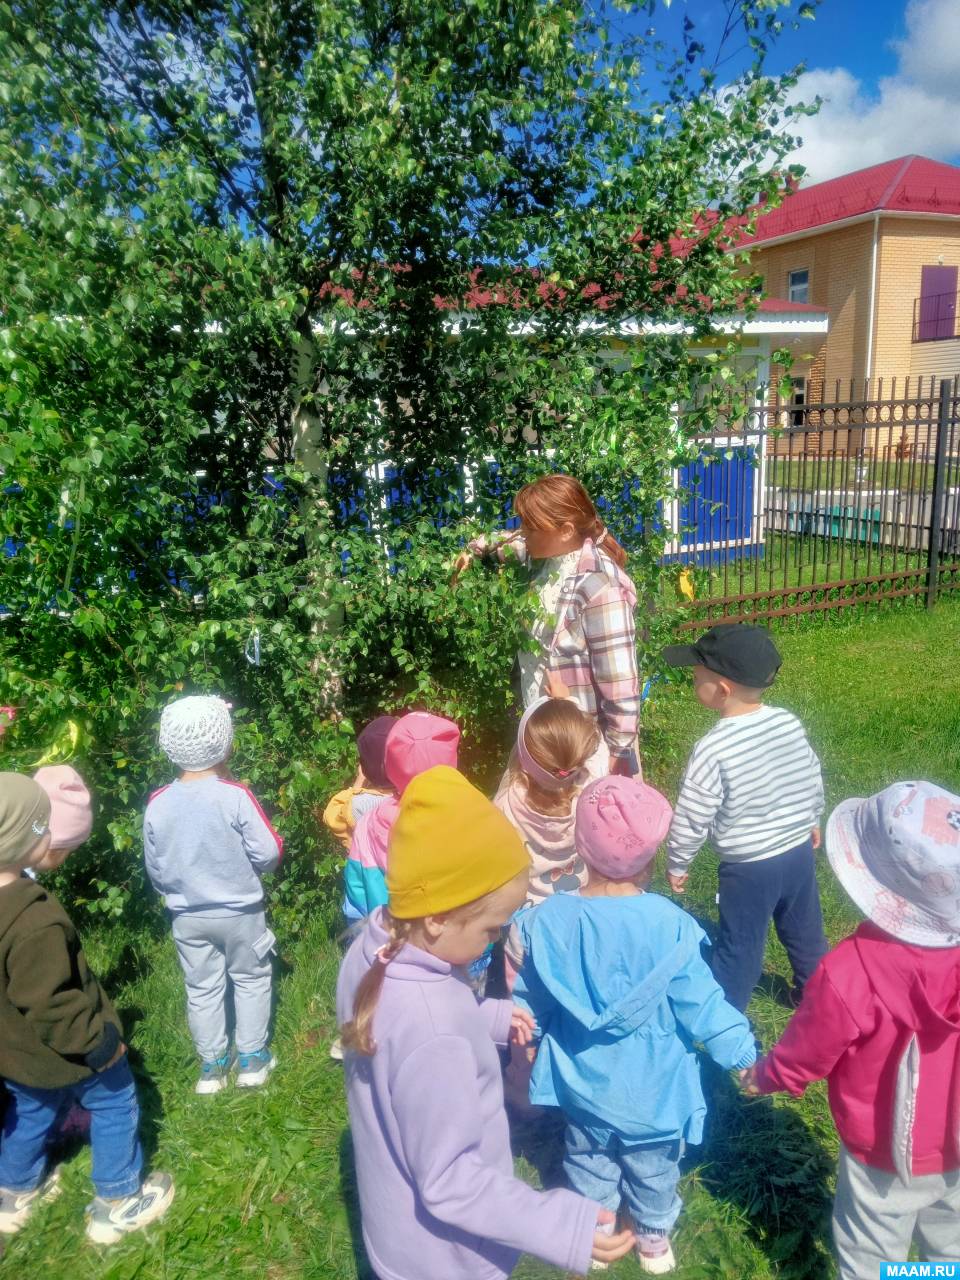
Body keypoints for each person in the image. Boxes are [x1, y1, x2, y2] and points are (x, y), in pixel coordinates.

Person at [336, 765, 636, 1280]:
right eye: (491, 929)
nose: (496, 940)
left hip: (397, 1235)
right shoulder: (435, 1033)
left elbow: (409, 1034)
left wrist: (486, 1018)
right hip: (445, 1259)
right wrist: (559, 1224)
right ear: (437, 917)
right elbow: (451, 1180)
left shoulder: (372, 950)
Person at [513, 776, 756, 1274]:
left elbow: (530, 999)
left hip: (582, 1085)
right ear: (648, 861)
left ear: (579, 847)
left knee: (588, 1158)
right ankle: (652, 1239)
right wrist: (742, 1054)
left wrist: (527, 1040)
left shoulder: (547, 921)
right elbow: (703, 1004)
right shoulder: (671, 926)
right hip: (655, 1094)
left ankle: (597, 1230)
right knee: (654, 1168)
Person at [740, 781, 960, 1277]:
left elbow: (809, 1048)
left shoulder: (849, 972)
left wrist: (769, 1075)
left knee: (871, 1253)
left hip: (881, 1151)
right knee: (952, 1249)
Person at [0, 773, 174, 1243]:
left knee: (31, 1111)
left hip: (14, 1054)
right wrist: (99, 1045)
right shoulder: (32, 920)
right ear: (25, 840)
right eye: (43, 826)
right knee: (115, 1101)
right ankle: (115, 1202)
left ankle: (12, 1193)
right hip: (68, 1050)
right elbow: (51, 1004)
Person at [663, 624, 827, 1011]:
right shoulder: (786, 721)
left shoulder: (712, 748)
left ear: (722, 689)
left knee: (740, 944)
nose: (692, 680)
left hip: (749, 869)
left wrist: (678, 861)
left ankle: (726, 1017)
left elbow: (693, 814)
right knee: (804, 929)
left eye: (696, 676)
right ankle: (818, 996)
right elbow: (808, 772)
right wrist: (812, 816)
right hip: (797, 853)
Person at [453, 473, 640, 779]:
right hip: (545, 731)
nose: (522, 533)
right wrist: (473, 549)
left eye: (531, 526)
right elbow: (508, 543)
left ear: (565, 530)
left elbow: (619, 682)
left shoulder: (600, 586)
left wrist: (617, 755)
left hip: (580, 747)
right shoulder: (547, 557)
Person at [143, 695, 283, 1094]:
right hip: (241, 912)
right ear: (225, 743)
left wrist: (173, 891)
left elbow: (156, 867)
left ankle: (212, 1067)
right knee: (251, 978)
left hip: (187, 915)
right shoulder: (235, 795)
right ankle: (252, 1059)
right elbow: (269, 853)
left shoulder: (158, 803)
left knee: (201, 987)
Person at [494, 694, 599, 984]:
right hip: (580, 911)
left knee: (527, 990)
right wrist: (570, 699)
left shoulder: (505, 805)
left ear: (524, 757)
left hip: (527, 923)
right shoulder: (593, 792)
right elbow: (586, 741)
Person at [342, 711, 460, 923]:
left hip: (389, 933)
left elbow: (356, 893)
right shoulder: (466, 814)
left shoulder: (368, 823)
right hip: (456, 936)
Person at [322, 715, 398, 850]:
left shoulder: (360, 805)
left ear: (364, 767)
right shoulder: (416, 798)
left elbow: (331, 816)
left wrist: (358, 783)